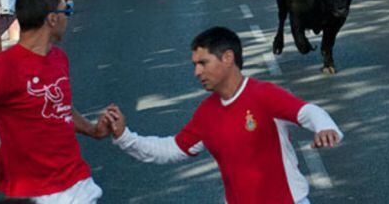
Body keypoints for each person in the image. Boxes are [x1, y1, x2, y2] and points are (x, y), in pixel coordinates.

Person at [102, 26, 343, 204]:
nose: (197, 72)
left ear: (228, 58)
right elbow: (172, 149)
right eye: (195, 64)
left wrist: (325, 127)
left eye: (203, 63)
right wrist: (125, 137)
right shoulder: (206, 113)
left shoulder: (263, 94)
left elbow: (307, 111)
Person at [0, 0, 111, 202]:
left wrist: (92, 130)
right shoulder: (6, 66)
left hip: (76, 180)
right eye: (66, 11)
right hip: (36, 192)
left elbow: (60, 107)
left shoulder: (59, 57)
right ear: (52, 19)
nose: (67, 18)